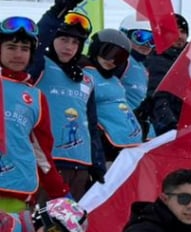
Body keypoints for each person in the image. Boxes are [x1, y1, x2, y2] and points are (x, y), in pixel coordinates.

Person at [0, 16, 73, 207]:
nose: (18, 54)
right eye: (11, 47)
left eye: (25, 49)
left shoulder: (35, 97)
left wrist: (60, 192)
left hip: (18, 192)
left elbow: (41, 154)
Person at [31, 11, 104, 198]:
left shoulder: (86, 79)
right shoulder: (39, 66)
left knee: (71, 225)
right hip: (47, 163)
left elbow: (91, 125)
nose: (69, 47)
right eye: (64, 39)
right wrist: (56, 11)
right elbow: (35, 45)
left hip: (80, 166)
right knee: (43, 225)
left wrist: (97, 163)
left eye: (75, 43)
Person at [84, 29, 145, 162]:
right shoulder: (84, 74)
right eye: (108, 53)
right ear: (96, 49)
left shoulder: (114, 80)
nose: (112, 60)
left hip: (128, 148)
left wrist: (142, 115)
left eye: (119, 58)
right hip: (106, 149)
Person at [144, 13, 190, 137]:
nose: (179, 36)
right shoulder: (157, 59)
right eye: (174, 32)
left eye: (183, 31)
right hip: (166, 130)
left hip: (186, 125)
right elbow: (158, 96)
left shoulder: (188, 58)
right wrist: (170, 126)